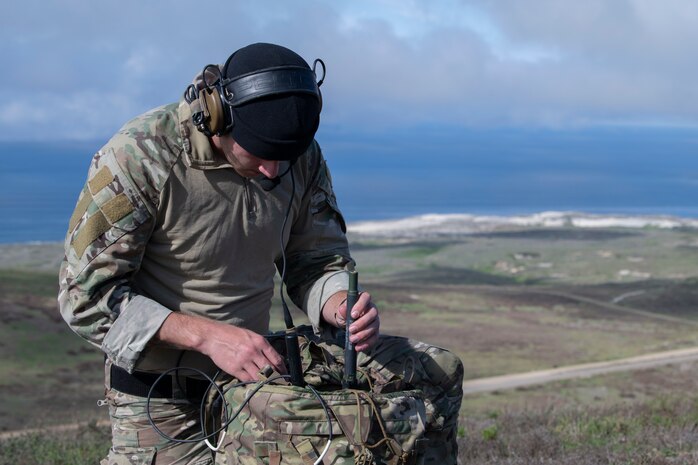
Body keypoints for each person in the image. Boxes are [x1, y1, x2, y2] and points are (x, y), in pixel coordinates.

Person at [58, 42, 463, 465]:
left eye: (283, 158)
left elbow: (317, 258)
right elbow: (85, 299)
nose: (273, 171)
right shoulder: (140, 156)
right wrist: (208, 336)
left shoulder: (296, 155)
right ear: (215, 118)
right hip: (162, 402)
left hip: (258, 390)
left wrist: (338, 303)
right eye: (260, 153)